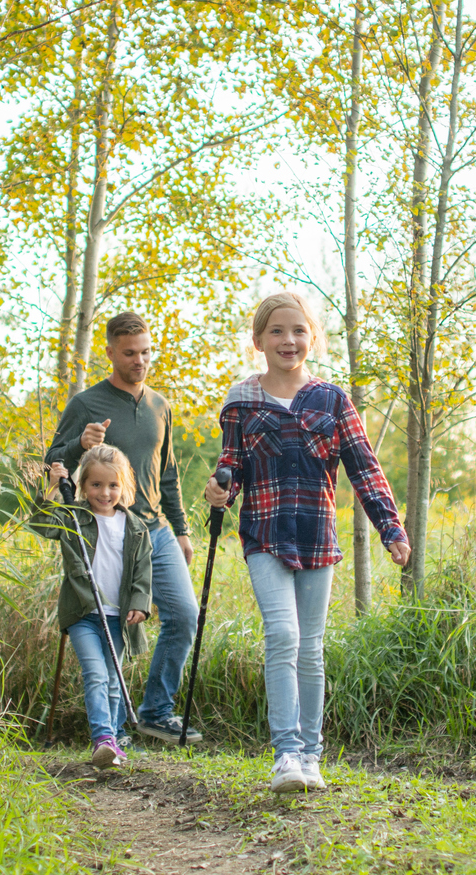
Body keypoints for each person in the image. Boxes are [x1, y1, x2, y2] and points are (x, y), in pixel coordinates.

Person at [202, 293, 409, 794]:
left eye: (297, 331)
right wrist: (219, 491)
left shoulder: (332, 400)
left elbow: (363, 467)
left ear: (312, 338)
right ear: (258, 341)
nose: (287, 340)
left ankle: (312, 757)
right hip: (265, 534)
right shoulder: (240, 401)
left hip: (317, 535)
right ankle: (286, 754)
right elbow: (232, 469)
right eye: (276, 331)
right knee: (283, 636)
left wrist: (390, 527)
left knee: (311, 649)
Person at [46, 312, 203, 743]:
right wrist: (80, 444)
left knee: (185, 615)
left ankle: (156, 712)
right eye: (130, 353)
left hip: (153, 529)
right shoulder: (86, 404)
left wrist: (182, 529)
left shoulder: (159, 406)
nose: (140, 361)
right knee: (110, 623)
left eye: (146, 352)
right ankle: (112, 728)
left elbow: (167, 472)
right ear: (111, 352)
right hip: (107, 531)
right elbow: (53, 461)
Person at [29, 445, 154, 769]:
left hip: (119, 616)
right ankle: (102, 738)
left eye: (112, 485)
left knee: (114, 680)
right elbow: (43, 525)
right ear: (83, 486)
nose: (104, 492)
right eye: (96, 485)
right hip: (84, 612)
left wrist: (140, 604)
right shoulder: (74, 517)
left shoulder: (135, 527)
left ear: (123, 486)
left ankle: (113, 740)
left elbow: (143, 572)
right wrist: (53, 489)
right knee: (96, 673)